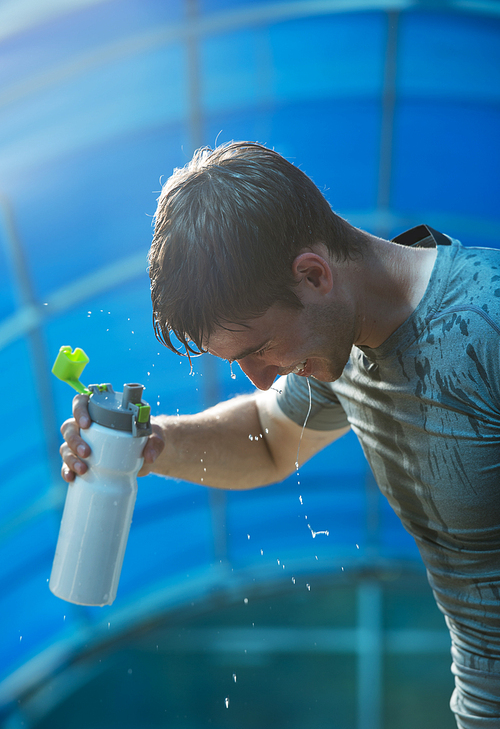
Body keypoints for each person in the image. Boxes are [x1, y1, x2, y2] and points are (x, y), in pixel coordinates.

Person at [60, 141, 500, 728]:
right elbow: (268, 438)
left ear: (313, 275)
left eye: (259, 350)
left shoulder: (485, 326)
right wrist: (150, 444)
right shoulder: (343, 346)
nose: (262, 377)